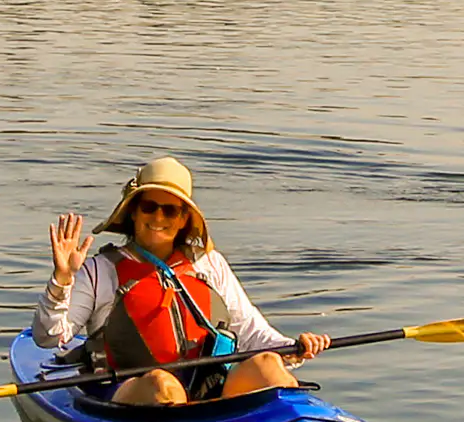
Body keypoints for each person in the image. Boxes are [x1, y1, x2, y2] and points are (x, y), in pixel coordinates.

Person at [31, 155, 328, 405]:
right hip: (130, 394)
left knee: (267, 364)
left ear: (184, 218)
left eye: (170, 209)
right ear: (133, 212)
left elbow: (252, 333)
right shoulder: (100, 271)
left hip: (207, 391)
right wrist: (62, 279)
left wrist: (295, 347)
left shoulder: (208, 263)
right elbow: (48, 337)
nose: (158, 217)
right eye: (149, 207)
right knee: (163, 385)